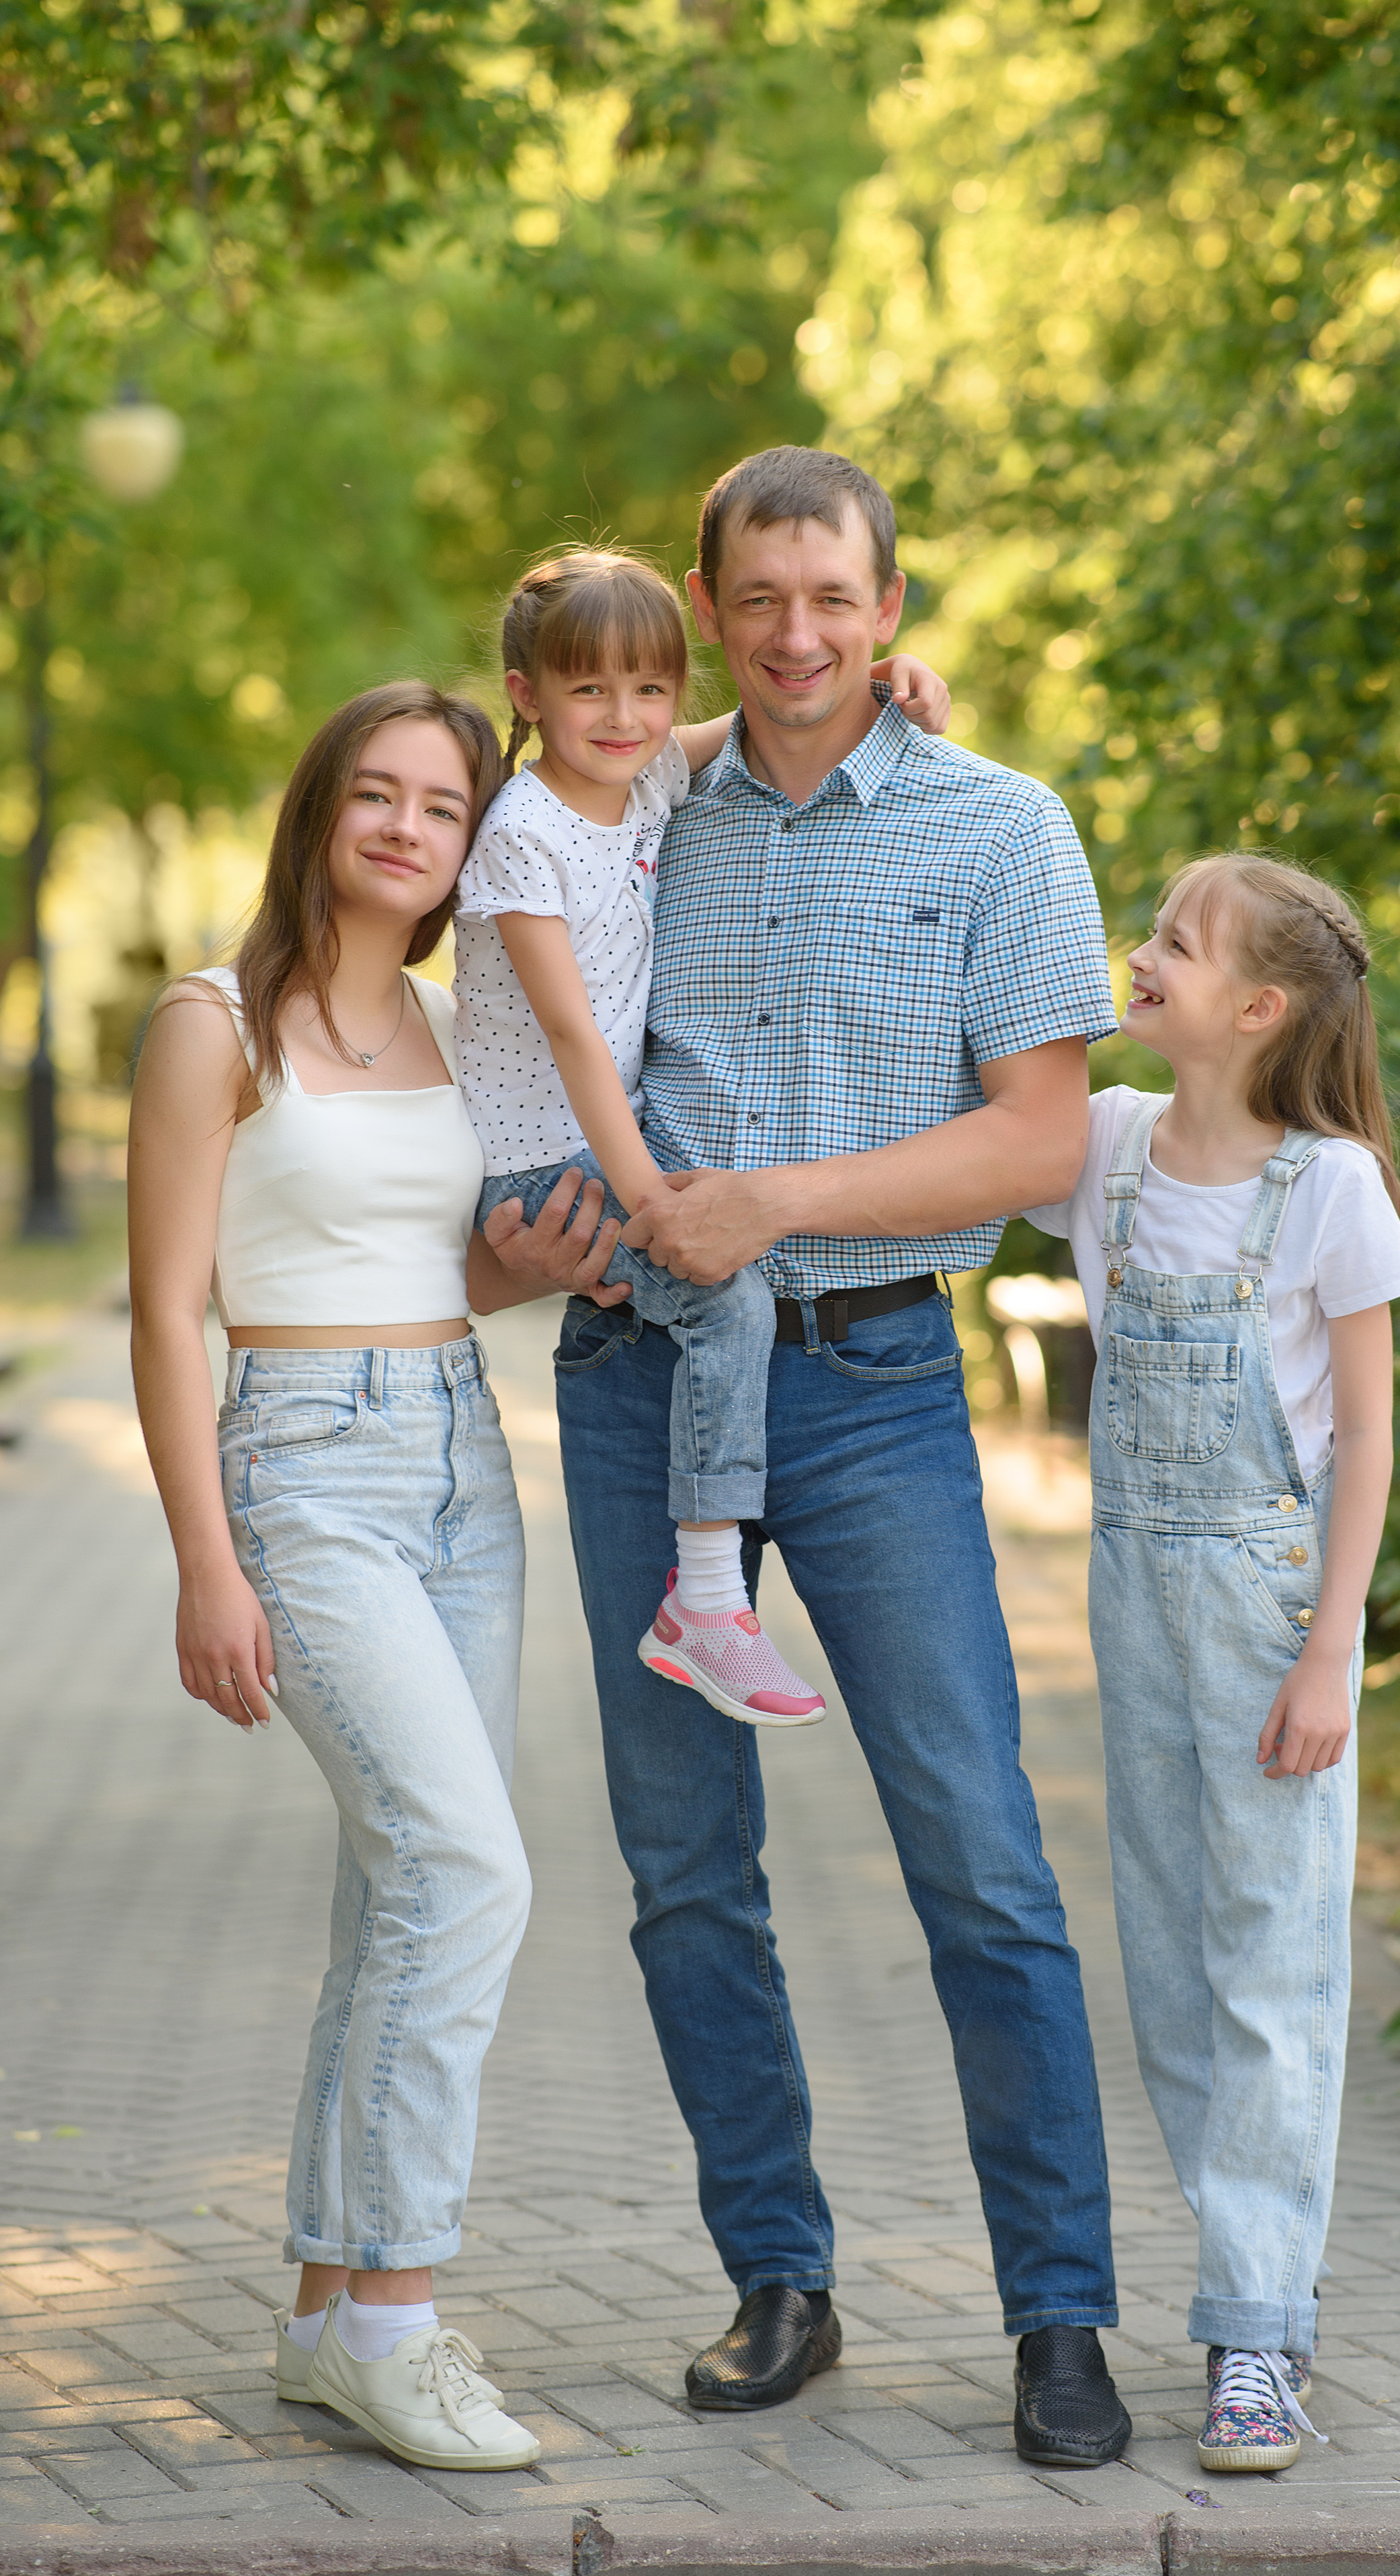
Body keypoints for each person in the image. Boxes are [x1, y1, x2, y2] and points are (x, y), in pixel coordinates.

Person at [483, 446, 1133, 2469]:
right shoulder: (636, 794)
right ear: (706, 602)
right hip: (632, 1376)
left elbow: (1038, 1147)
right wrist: (528, 1239)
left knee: (983, 1858)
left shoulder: (1002, 826)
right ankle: (779, 2276)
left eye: (831, 601)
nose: (796, 638)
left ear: (889, 602)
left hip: (870, 1389)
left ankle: (1059, 2315)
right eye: (756, 601)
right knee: (688, 1869)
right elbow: (547, 730)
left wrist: (772, 1200)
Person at [128, 681, 589, 2473]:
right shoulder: (213, 1021)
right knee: (468, 1871)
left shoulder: (467, 1026)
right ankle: (399, 2320)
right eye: (377, 793)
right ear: (323, 807)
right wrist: (200, 1559)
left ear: (476, 844)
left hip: (464, 1455)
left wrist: (521, 1281)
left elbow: (426, 1270)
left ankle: (329, 2311)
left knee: (395, 1890)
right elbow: (173, 1304)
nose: (407, 826)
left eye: (446, 806)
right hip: (298, 1467)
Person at [1026, 853, 1400, 2475]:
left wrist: (1332, 1652)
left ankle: (1249, 2338)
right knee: (1178, 1977)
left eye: (1172, 948)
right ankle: (1262, 2273)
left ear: (1254, 1012)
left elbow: (1370, 1437)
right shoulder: (1105, 1147)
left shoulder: (1326, 1183)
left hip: (1270, 1614)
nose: (1136, 957)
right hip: (1132, 1600)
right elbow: (1010, 1051)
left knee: (1272, 1973)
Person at [456, 546, 947, 1726]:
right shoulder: (521, 833)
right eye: (589, 691)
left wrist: (884, 682)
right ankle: (710, 1599)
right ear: (526, 694)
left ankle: (711, 1593)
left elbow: (739, 727)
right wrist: (655, 1205)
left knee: (726, 1285)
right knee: (725, 1296)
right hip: (547, 1153)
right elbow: (574, 1039)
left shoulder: (644, 783)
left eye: (649, 690)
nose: (624, 718)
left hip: (606, 1141)